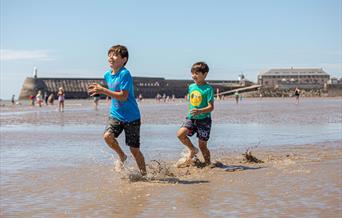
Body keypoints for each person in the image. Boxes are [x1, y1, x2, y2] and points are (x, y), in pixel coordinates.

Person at [87, 45, 146, 175]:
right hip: (116, 114)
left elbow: (123, 96)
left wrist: (103, 90)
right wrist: (99, 92)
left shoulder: (125, 73)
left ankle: (145, 175)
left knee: (134, 150)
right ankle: (122, 156)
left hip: (131, 116)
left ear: (124, 59)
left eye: (114, 55)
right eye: (109, 55)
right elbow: (113, 93)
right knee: (107, 136)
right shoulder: (107, 75)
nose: (110, 58)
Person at [176, 62, 214, 167]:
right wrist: (194, 112)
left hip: (204, 120)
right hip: (191, 118)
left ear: (205, 74)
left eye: (197, 73)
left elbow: (211, 107)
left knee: (202, 146)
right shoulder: (191, 86)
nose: (194, 75)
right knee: (180, 134)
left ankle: (208, 165)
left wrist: (200, 111)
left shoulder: (208, 89)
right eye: (192, 73)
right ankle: (192, 150)